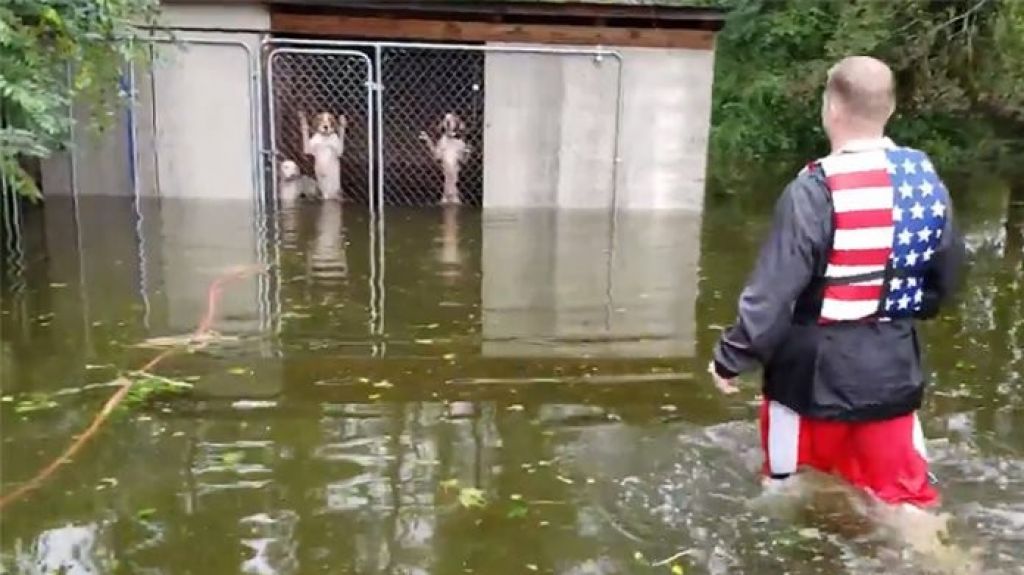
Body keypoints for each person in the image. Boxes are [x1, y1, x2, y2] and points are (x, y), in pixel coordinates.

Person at [708, 56, 965, 510]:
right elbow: (945, 279)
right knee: (904, 505)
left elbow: (773, 293)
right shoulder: (925, 182)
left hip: (807, 379)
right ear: (889, 109)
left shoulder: (813, 189)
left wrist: (731, 357)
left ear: (831, 107)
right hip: (892, 374)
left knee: (787, 493)